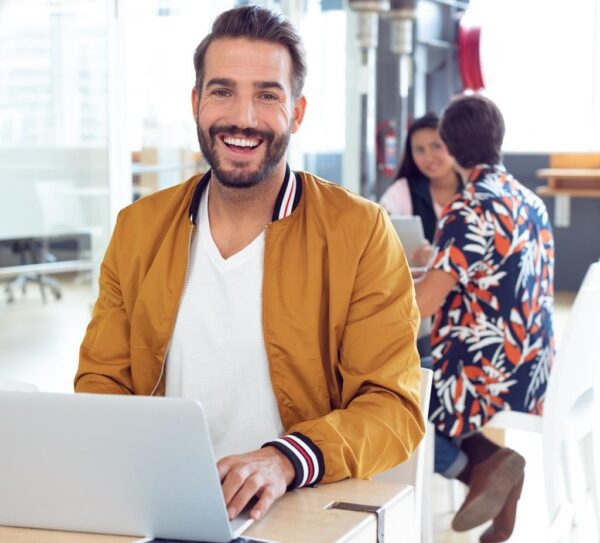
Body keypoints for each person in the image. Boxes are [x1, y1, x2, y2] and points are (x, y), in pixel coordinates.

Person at [74, 5, 424, 524]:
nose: (243, 117)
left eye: (267, 95)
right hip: (160, 508)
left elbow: (394, 405)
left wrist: (285, 459)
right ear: (196, 104)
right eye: (222, 91)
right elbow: (102, 382)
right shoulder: (138, 228)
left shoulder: (360, 231)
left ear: (297, 113)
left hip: (298, 504)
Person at [414, 95, 554, 543]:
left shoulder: (468, 207)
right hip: (529, 365)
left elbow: (425, 304)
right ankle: (493, 474)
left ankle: (483, 466)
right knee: (416, 375)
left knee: (394, 390)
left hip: (484, 369)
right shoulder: (529, 200)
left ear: (451, 147)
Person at [379, 112, 462, 267]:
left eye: (436, 146)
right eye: (419, 150)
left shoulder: (474, 191)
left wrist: (438, 257)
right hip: (415, 284)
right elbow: (377, 226)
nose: (429, 158)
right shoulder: (404, 190)